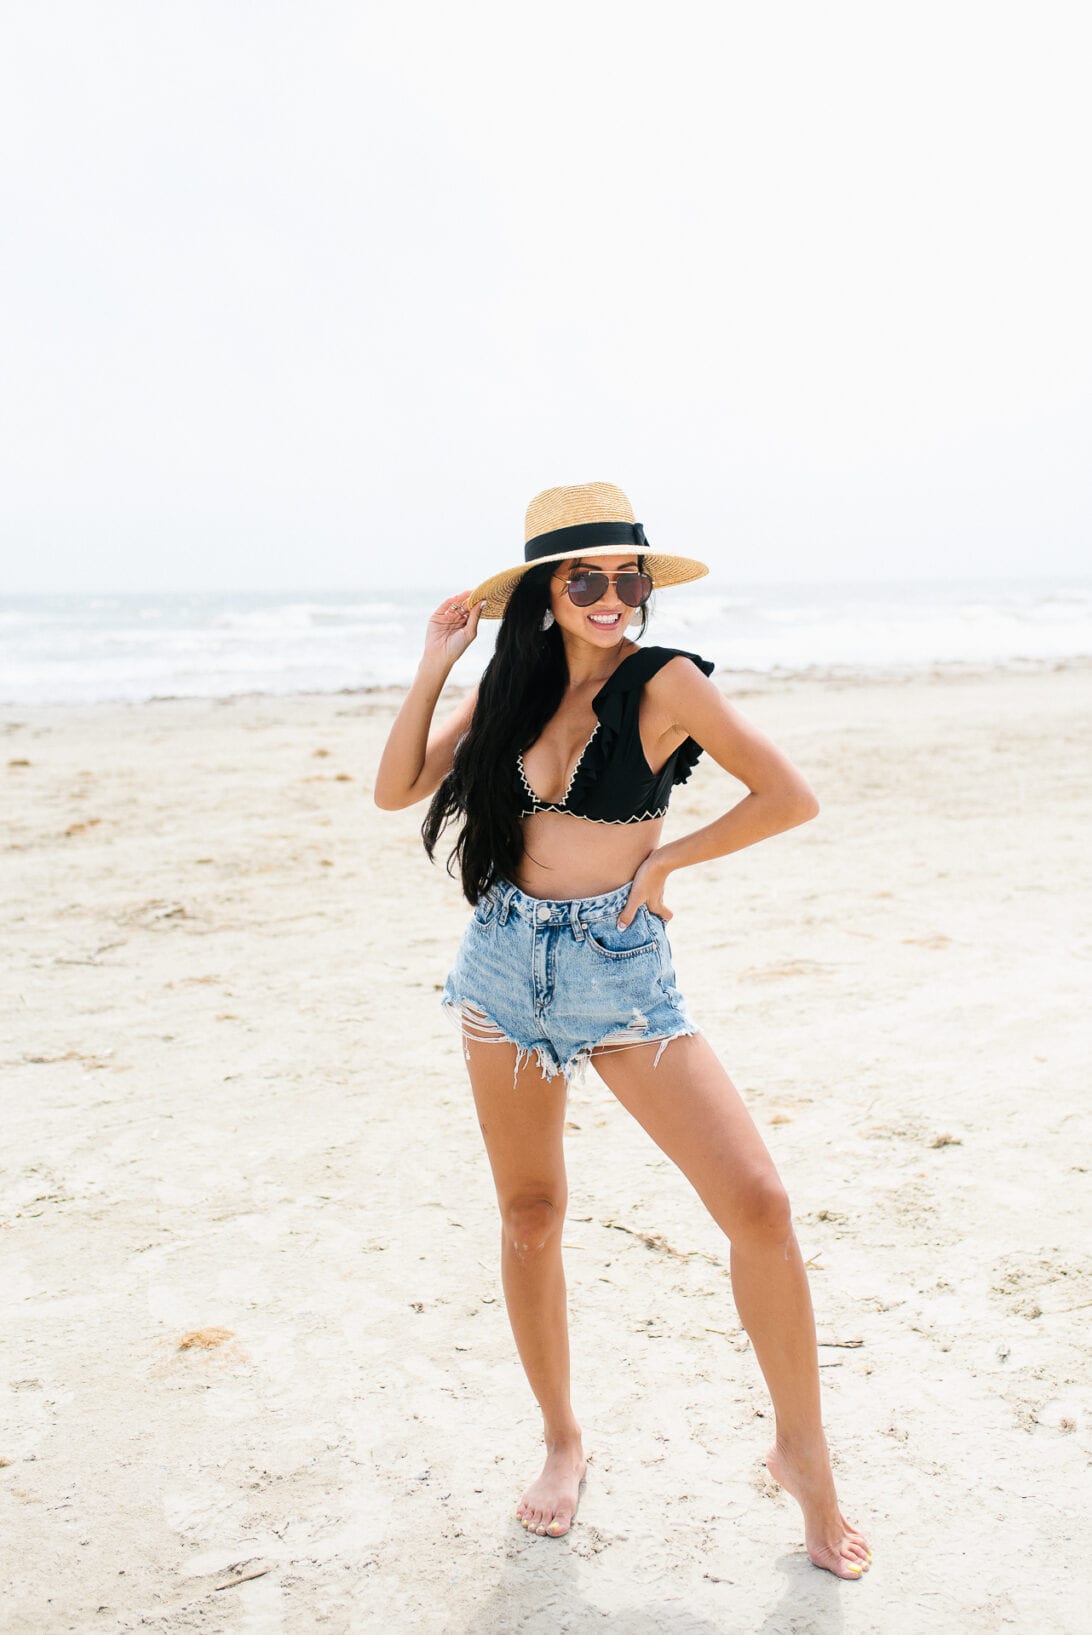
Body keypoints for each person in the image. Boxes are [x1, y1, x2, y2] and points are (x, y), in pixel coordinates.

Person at [373, 482, 872, 1579]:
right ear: (548, 594)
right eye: (585, 579)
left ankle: (804, 1455)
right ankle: (561, 1439)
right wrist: (435, 665)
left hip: (618, 970)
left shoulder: (668, 681)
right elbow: (395, 786)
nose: (611, 597)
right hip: (502, 965)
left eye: (625, 577)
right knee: (531, 1212)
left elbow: (789, 797)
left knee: (760, 1203)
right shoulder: (515, 688)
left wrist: (666, 861)